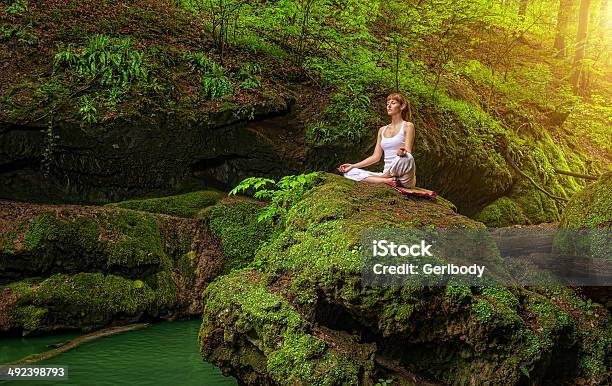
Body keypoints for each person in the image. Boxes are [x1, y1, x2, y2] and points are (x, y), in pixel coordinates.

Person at [338, 93, 416, 188]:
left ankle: (384, 177)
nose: (389, 106)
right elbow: (375, 157)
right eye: (387, 104)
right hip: (387, 175)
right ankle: (385, 181)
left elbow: (408, 151)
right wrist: (353, 166)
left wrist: (402, 153)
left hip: (404, 176)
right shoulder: (382, 130)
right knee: (349, 172)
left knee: (408, 157)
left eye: (393, 103)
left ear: (402, 106)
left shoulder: (408, 126)